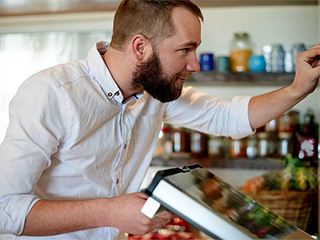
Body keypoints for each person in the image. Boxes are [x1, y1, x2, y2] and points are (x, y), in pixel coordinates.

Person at [0, 0, 319, 239]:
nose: (194, 65)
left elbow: (227, 118)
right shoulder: (52, 92)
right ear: (140, 47)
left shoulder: (155, 93)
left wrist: (298, 88)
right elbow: (5, 209)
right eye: (185, 50)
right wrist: (110, 211)